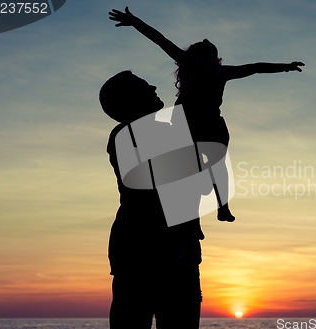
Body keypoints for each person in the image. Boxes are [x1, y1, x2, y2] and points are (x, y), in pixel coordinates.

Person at [109, 7, 305, 223]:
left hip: (211, 122)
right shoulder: (190, 62)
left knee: (218, 163)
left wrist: (286, 67)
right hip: (186, 120)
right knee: (190, 168)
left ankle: (222, 206)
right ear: (203, 54)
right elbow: (160, 40)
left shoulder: (223, 72)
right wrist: (135, 21)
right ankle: (194, 213)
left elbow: (256, 67)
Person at [99, 70, 204, 329]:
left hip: (175, 251)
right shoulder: (130, 134)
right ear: (130, 100)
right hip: (147, 253)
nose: (154, 86)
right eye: (145, 86)